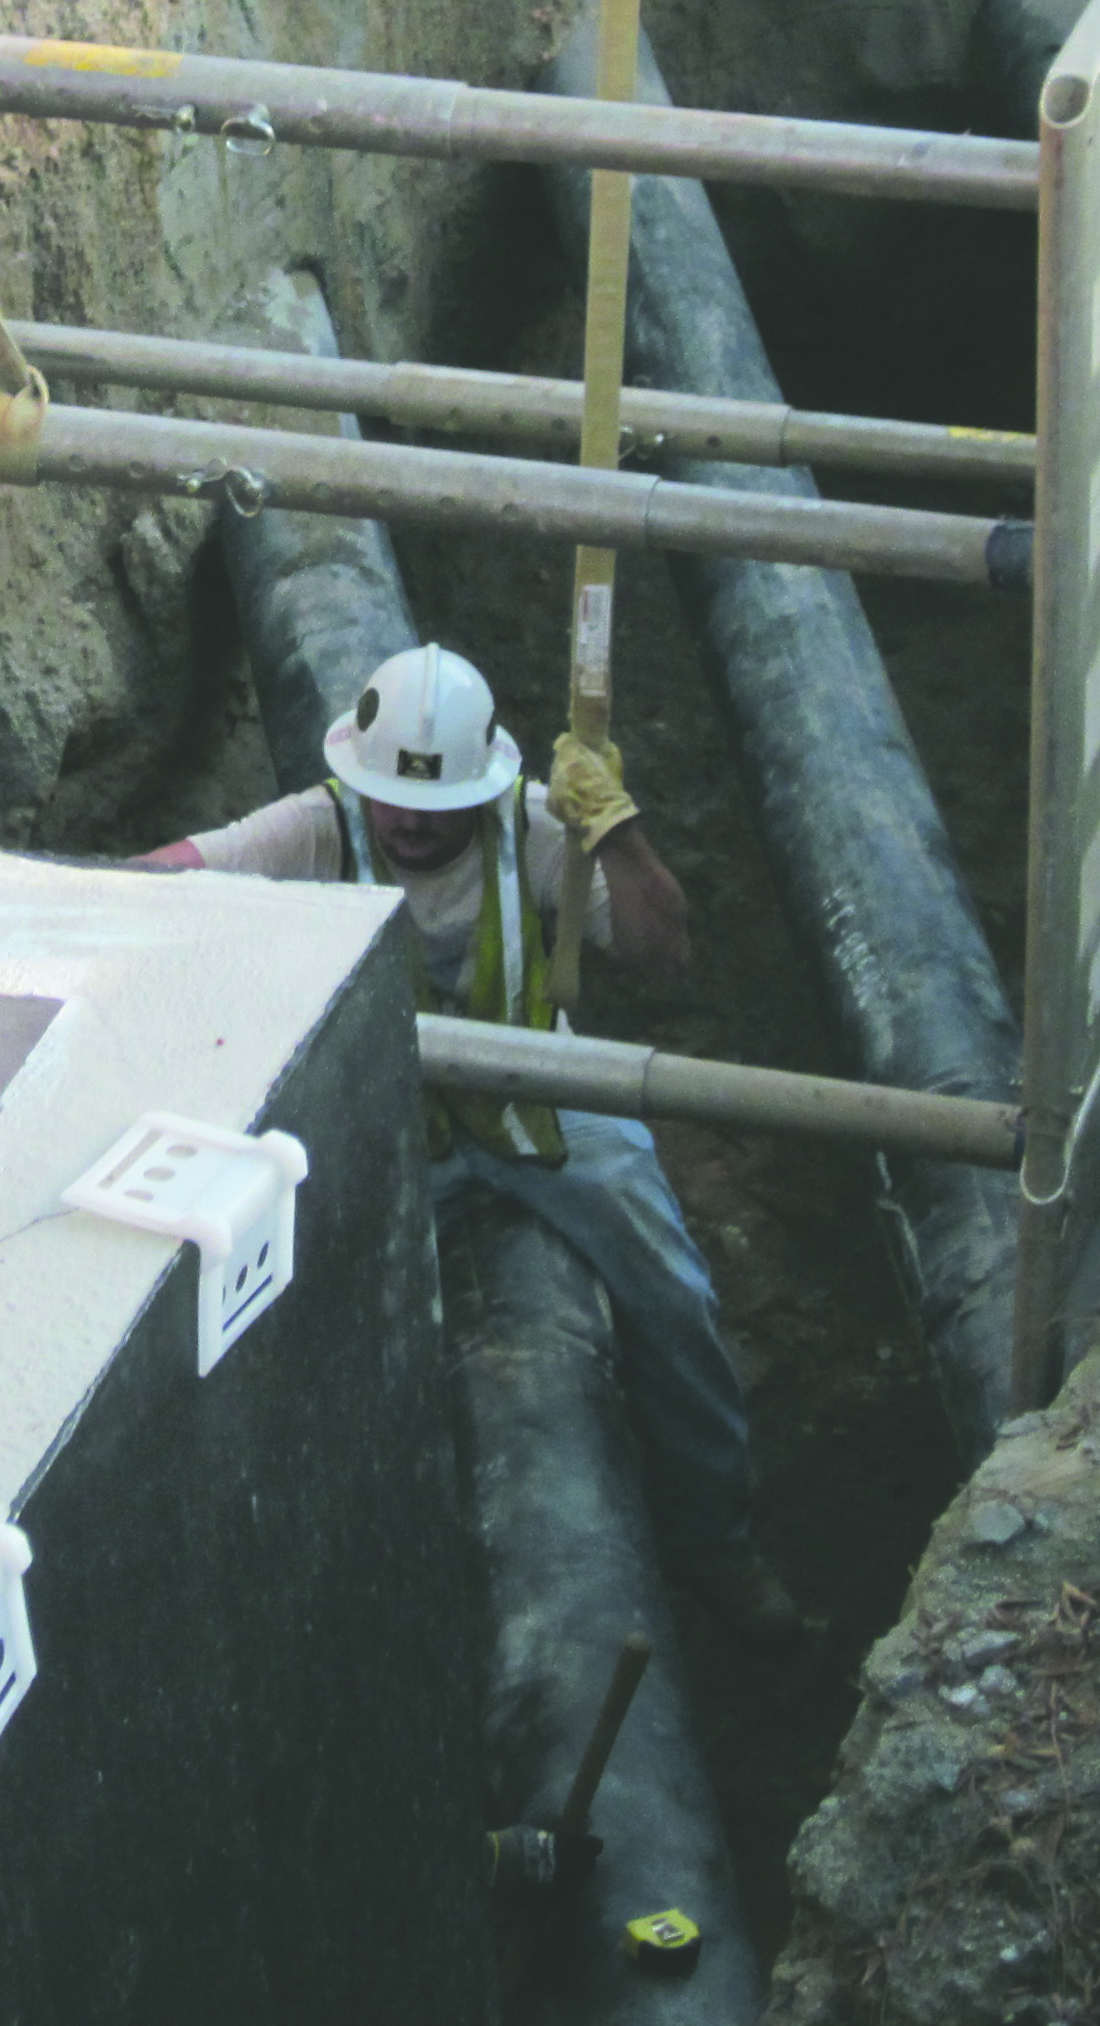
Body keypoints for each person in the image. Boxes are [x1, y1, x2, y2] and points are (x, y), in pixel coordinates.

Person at [146, 641, 804, 1641]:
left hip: (537, 1094)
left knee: (670, 1291)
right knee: (291, 1314)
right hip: (385, 1114)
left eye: (431, 805)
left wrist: (617, 838)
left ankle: (715, 1544)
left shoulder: (535, 828)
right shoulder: (319, 827)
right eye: (387, 799)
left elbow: (666, 950)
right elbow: (176, 871)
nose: (406, 822)